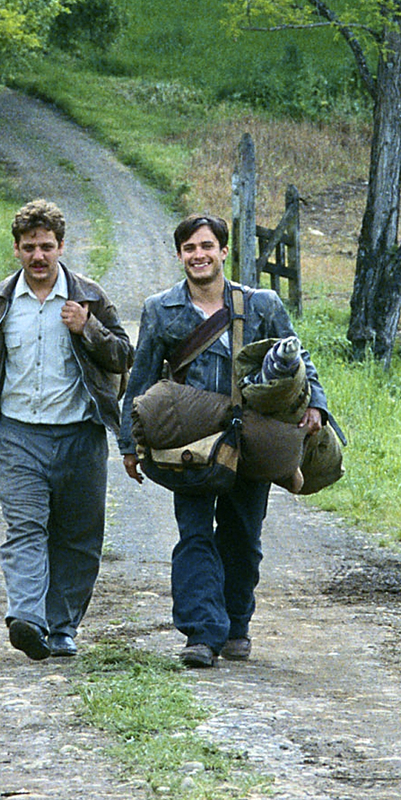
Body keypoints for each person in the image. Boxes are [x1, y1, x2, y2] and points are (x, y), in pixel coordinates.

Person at [119, 213, 328, 668]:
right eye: (190, 248)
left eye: (207, 246)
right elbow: (139, 380)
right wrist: (129, 443)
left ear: (223, 251)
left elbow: (298, 359)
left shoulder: (262, 304)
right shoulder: (160, 309)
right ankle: (201, 633)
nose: (199, 255)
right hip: (187, 441)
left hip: (248, 436)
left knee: (243, 538)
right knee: (194, 535)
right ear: (180, 255)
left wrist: (317, 406)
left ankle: (236, 624)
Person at [0, 199, 133, 661]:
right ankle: (27, 619)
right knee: (26, 528)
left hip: (80, 434)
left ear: (61, 247)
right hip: (18, 436)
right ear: (16, 249)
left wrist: (87, 328)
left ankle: (61, 626)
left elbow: (124, 356)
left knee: (78, 535)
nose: (38, 256)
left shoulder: (89, 296)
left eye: (46, 246)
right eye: (29, 247)